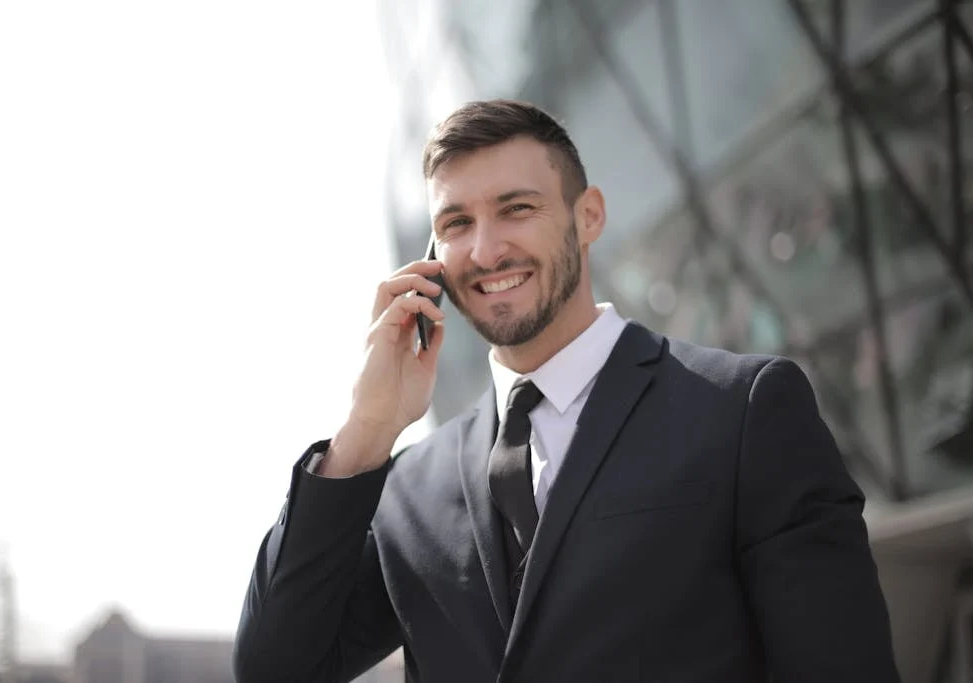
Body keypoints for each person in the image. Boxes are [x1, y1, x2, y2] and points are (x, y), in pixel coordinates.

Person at [232, 100, 901, 683]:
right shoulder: (407, 488)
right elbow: (275, 668)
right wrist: (365, 432)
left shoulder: (744, 412)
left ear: (589, 216)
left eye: (516, 209)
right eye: (458, 222)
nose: (487, 250)